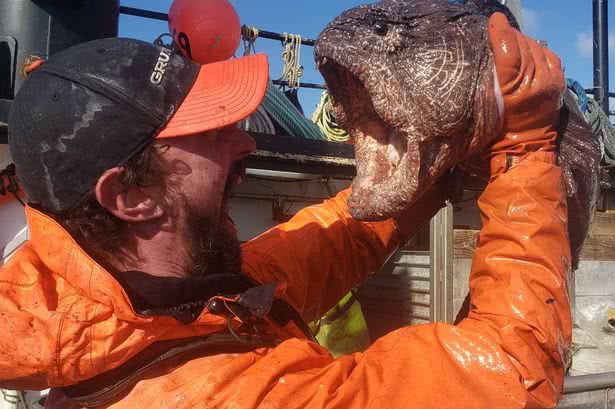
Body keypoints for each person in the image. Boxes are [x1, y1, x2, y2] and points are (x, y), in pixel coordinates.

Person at [0, 11, 570, 409]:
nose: (245, 142)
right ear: (130, 197)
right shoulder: (218, 395)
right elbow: (510, 371)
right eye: (214, 132)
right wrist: (524, 151)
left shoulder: (146, 306)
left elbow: (328, 243)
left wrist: (420, 177)